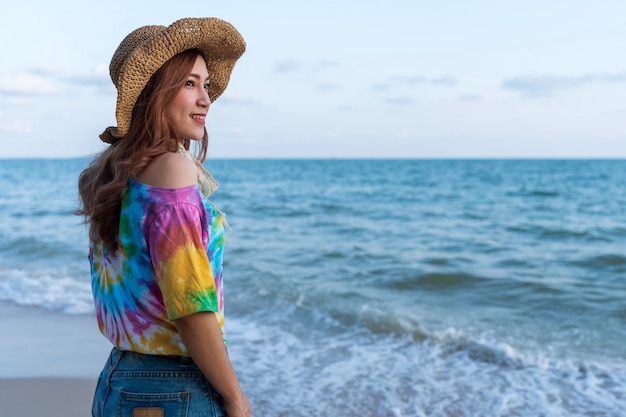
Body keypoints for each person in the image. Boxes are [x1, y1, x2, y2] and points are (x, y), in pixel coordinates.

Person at [77, 17, 251, 417]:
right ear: (152, 91)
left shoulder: (111, 172)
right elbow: (191, 306)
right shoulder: (172, 169)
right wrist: (235, 397)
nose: (205, 98)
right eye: (190, 83)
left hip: (117, 382)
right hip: (173, 389)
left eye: (205, 85)